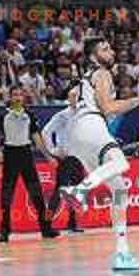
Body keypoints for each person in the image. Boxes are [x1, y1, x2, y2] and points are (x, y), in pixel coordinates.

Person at [59, 37, 139, 270]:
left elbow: (71, 99)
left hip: (78, 134)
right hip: (91, 125)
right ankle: (80, 191)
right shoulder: (102, 73)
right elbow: (108, 108)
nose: (111, 51)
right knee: (121, 162)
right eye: (105, 48)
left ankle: (122, 252)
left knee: (119, 189)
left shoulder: (82, 80)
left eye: (110, 47)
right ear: (93, 55)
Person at [0, 86, 60, 242]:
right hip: (10, 155)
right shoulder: (1, 116)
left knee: (37, 195)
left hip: (26, 155)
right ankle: (4, 231)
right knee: (6, 196)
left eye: (20, 95)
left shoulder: (29, 116)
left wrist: (48, 157)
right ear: (10, 97)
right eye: (14, 94)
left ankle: (46, 228)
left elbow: (37, 139)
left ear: (23, 98)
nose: (17, 98)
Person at [41, 100, 84, 234]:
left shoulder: (84, 115)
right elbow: (46, 132)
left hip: (79, 158)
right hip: (65, 159)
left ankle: (72, 223)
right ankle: (47, 223)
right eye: (74, 97)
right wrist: (53, 150)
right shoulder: (62, 115)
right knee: (58, 192)